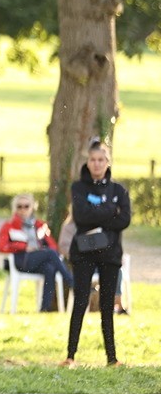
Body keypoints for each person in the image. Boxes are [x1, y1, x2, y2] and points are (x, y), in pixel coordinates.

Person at [62, 141, 131, 368]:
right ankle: (71, 355)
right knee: (80, 300)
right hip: (84, 252)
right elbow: (80, 217)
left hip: (110, 254)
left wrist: (99, 215)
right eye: (93, 159)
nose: (97, 164)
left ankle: (111, 358)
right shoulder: (78, 188)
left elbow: (125, 220)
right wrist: (110, 211)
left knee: (107, 303)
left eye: (101, 159)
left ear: (107, 162)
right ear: (88, 161)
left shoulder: (118, 190)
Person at [0, 194, 73, 312]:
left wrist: (42, 249)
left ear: (32, 207)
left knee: (49, 268)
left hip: (39, 260)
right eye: (19, 206)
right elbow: (1, 247)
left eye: (26, 206)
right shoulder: (9, 226)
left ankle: (45, 309)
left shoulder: (40, 226)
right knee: (50, 254)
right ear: (14, 208)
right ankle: (71, 282)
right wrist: (23, 247)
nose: (22, 209)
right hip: (22, 260)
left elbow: (53, 246)